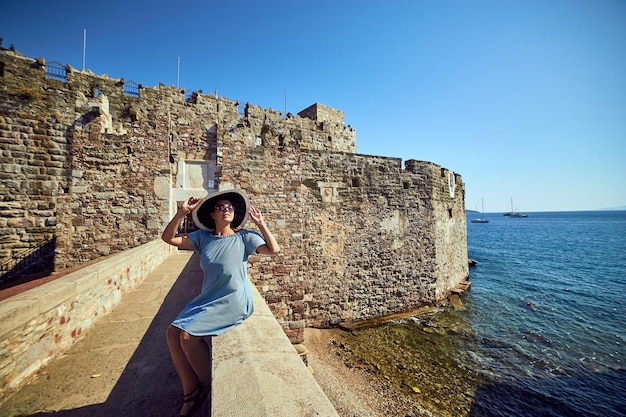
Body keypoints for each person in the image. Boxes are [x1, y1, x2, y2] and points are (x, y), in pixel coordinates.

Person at [161, 189, 280, 417]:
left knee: (187, 337)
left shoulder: (245, 237)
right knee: (171, 333)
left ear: (234, 215)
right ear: (213, 214)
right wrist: (182, 212)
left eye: (230, 207)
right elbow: (168, 238)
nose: (226, 209)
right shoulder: (203, 239)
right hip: (208, 298)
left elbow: (273, 250)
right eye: (221, 207)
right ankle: (190, 391)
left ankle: (209, 384)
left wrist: (262, 223)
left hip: (233, 300)